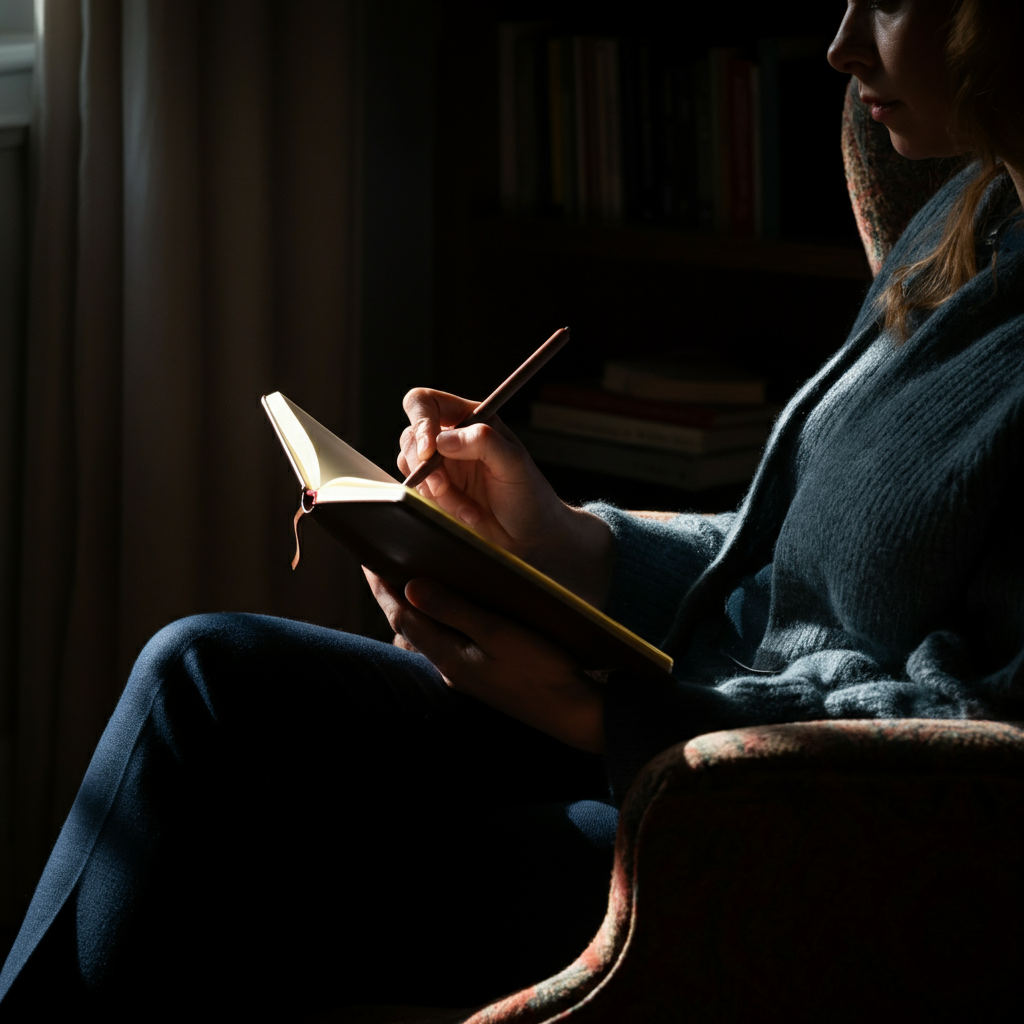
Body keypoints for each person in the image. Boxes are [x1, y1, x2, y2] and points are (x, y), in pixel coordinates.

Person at [1, 0, 1022, 1016]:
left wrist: (598, 713)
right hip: (661, 719)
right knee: (202, 679)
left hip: (765, 820)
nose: (839, 47)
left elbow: (982, 719)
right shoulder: (968, 218)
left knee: (270, 869)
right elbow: (787, 560)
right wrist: (565, 541)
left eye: (887, 1)